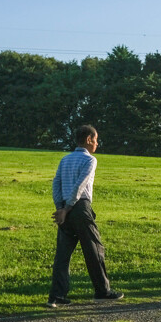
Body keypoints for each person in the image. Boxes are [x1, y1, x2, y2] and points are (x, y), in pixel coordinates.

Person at [48, 125, 122, 307]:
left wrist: (61, 208)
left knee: (62, 255)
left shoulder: (65, 160)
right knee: (94, 249)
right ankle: (102, 291)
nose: (97, 143)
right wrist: (68, 208)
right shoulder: (90, 160)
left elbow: (56, 184)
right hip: (80, 208)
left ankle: (56, 296)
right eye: (96, 140)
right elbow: (81, 185)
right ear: (89, 140)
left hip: (65, 207)